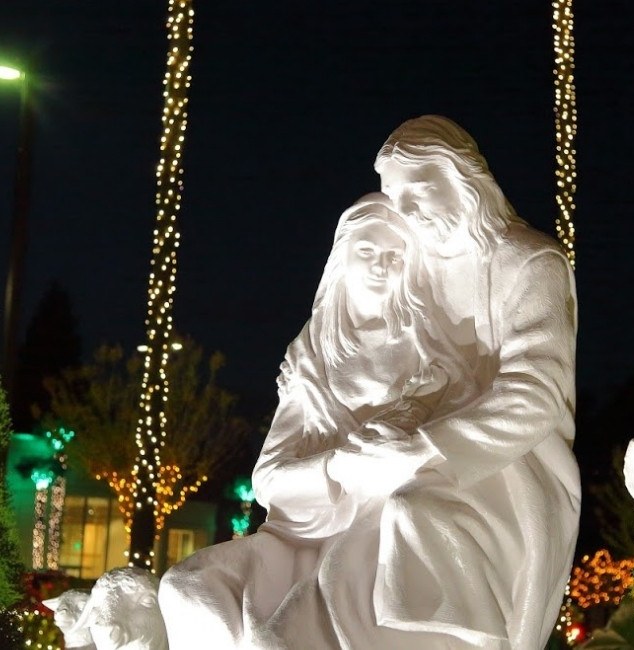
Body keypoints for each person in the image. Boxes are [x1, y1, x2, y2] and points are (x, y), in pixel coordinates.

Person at [159, 194, 472, 649]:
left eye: (394, 255)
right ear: (342, 256)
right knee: (186, 589)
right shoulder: (311, 357)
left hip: (374, 536)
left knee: (280, 640)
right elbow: (268, 477)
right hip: (293, 535)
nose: (380, 266)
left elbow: (443, 453)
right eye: (367, 250)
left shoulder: (428, 353)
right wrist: (337, 466)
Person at [364, 114, 581, 649]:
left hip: (516, 457)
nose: (406, 209)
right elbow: (419, 372)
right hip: (425, 444)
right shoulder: (416, 274)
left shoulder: (531, 261)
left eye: (420, 188)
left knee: (418, 508)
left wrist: (422, 447)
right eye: (394, 196)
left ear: (463, 178)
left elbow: (535, 395)